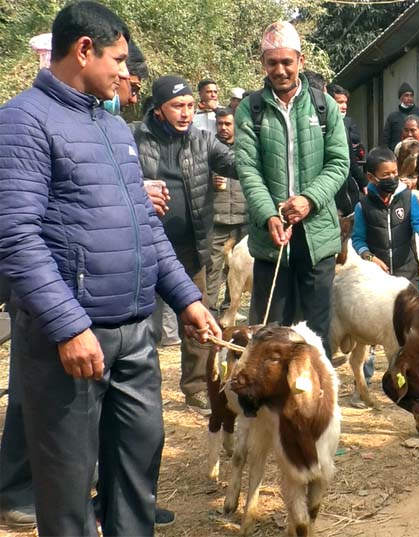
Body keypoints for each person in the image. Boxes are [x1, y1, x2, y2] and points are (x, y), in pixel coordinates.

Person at [0, 3, 221, 536]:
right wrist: (70, 326)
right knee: (69, 490)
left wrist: (186, 298)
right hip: (70, 345)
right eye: (119, 60)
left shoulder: (113, 126)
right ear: (83, 51)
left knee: (136, 473)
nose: (127, 73)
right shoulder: (23, 122)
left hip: (133, 336)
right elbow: (15, 237)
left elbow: (145, 227)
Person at [235, 21, 349, 358]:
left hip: (317, 238)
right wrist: (269, 214)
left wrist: (309, 200)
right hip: (271, 239)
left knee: (315, 334)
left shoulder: (324, 106)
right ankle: (275, 407)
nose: (280, 70)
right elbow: (248, 169)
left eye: (287, 62)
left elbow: (339, 162)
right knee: (272, 331)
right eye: (272, 63)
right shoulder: (250, 110)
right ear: (263, 64)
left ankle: (315, 405)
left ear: (300, 61)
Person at [132, 76, 236, 414]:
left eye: (191, 106)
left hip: (190, 250)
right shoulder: (133, 138)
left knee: (196, 322)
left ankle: (195, 389)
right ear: (159, 109)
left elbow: (237, 164)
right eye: (178, 106)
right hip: (143, 249)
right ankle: (142, 393)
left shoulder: (203, 141)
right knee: (143, 325)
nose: (186, 113)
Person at [353, 147, 419, 286]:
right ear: (371, 177)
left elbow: (418, 223)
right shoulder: (363, 206)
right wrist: (370, 258)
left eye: (395, 172)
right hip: (377, 276)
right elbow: (358, 240)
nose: (392, 178)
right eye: (385, 175)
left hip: (407, 273)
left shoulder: (409, 198)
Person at [207, 107, 248, 318]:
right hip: (217, 219)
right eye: (219, 123)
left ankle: (228, 314)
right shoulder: (207, 147)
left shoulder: (247, 148)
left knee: (237, 272)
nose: (223, 128)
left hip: (244, 218)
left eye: (227, 124)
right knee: (213, 270)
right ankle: (209, 314)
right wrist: (209, 182)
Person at [329, 83, 366, 217]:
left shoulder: (345, 126)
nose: (344, 106)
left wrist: (363, 184)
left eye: (345, 102)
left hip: (349, 194)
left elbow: (351, 161)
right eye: (340, 102)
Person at [382, 81, 419, 149]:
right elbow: (386, 138)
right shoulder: (393, 117)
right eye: (406, 95)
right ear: (400, 97)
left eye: (411, 95)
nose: (409, 98)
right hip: (397, 153)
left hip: (417, 152)